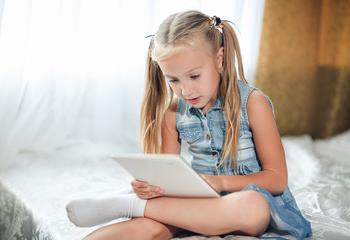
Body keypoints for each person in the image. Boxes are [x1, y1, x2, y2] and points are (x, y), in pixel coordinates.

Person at [66, 10, 312, 240]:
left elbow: (277, 179)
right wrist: (149, 188)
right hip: (196, 204)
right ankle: (140, 205)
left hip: (243, 203)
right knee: (149, 228)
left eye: (194, 75)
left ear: (220, 58)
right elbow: (166, 176)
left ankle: (129, 204)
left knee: (253, 207)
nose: (185, 90)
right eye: (173, 80)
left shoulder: (253, 103)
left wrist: (220, 183)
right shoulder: (173, 113)